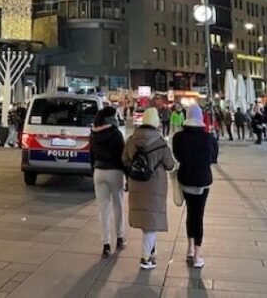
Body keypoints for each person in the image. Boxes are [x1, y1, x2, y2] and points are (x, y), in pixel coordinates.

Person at [121, 108, 176, 270]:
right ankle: (145, 258)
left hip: (136, 184)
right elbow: (170, 164)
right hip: (155, 187)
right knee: (151, 222)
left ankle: (151, 251)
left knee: (146, 220)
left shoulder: (132, 139)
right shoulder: (160, 142)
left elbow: (125, 160)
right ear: (156, 122)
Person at [172, 105, 218, 269]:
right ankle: (198, 255)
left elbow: (177, 156)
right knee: (198, 216)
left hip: (185, 180)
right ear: (200, 118)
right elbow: (213, 158)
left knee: (190, 213)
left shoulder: (178, 137)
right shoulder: (209, 137)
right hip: (202, 182)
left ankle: (190, 248)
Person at [90, 106, 127, 258]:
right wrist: (127, 175)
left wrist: (93, 171)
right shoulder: (116, 133)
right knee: (118, 205)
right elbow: (122, 156)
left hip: (98, 172)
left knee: (103, 209)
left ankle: (106, 244)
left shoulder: (93, 133)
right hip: (115, 172)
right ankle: (120, 237)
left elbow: (91, 156)